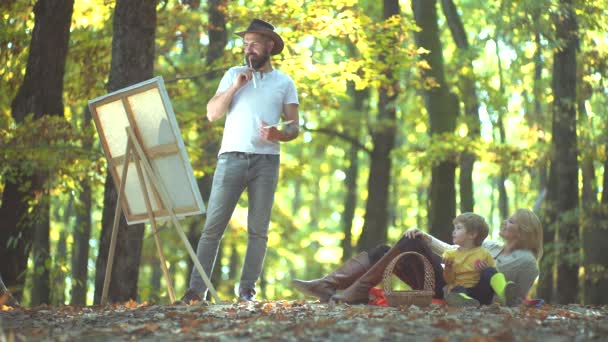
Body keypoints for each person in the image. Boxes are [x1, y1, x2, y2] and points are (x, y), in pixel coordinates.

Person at [179, 19, 299, 303]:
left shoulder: (284, 82)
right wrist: (235, 86)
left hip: (266, 163)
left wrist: (278, 133)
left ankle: (247, 291)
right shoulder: (233, 74)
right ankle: (197, 291)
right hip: (230, 158)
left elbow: (295, 126)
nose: (249, 49)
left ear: (270, 45)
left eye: (254, 43)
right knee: (212, 228)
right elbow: (212, 113)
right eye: (245, 44)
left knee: (258, 230)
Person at [292, 208, 542, 306]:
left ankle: (355, 290)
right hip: (446, 276)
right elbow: (454, 251)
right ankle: (329, 284)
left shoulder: (527, 262)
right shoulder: (493, 245)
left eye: (511, 221)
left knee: (408, 242)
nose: (505, 222)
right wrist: (425, 237)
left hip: (455, 290)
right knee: (383, 250)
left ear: (523, 230)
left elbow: (512, 295)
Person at [440, 213, 517, 307]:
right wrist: (448, 268)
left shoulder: (484, 254)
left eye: (458, 228)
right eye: (454, 228)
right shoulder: (450, 254)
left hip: (481, 294)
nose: (453, 232)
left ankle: (505, 294)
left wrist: (485, 269)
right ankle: (466, 302)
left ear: (472, 234)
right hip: (462, 292)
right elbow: (449, 280)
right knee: (457, 289)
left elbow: (493, 275)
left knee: (490, 270)